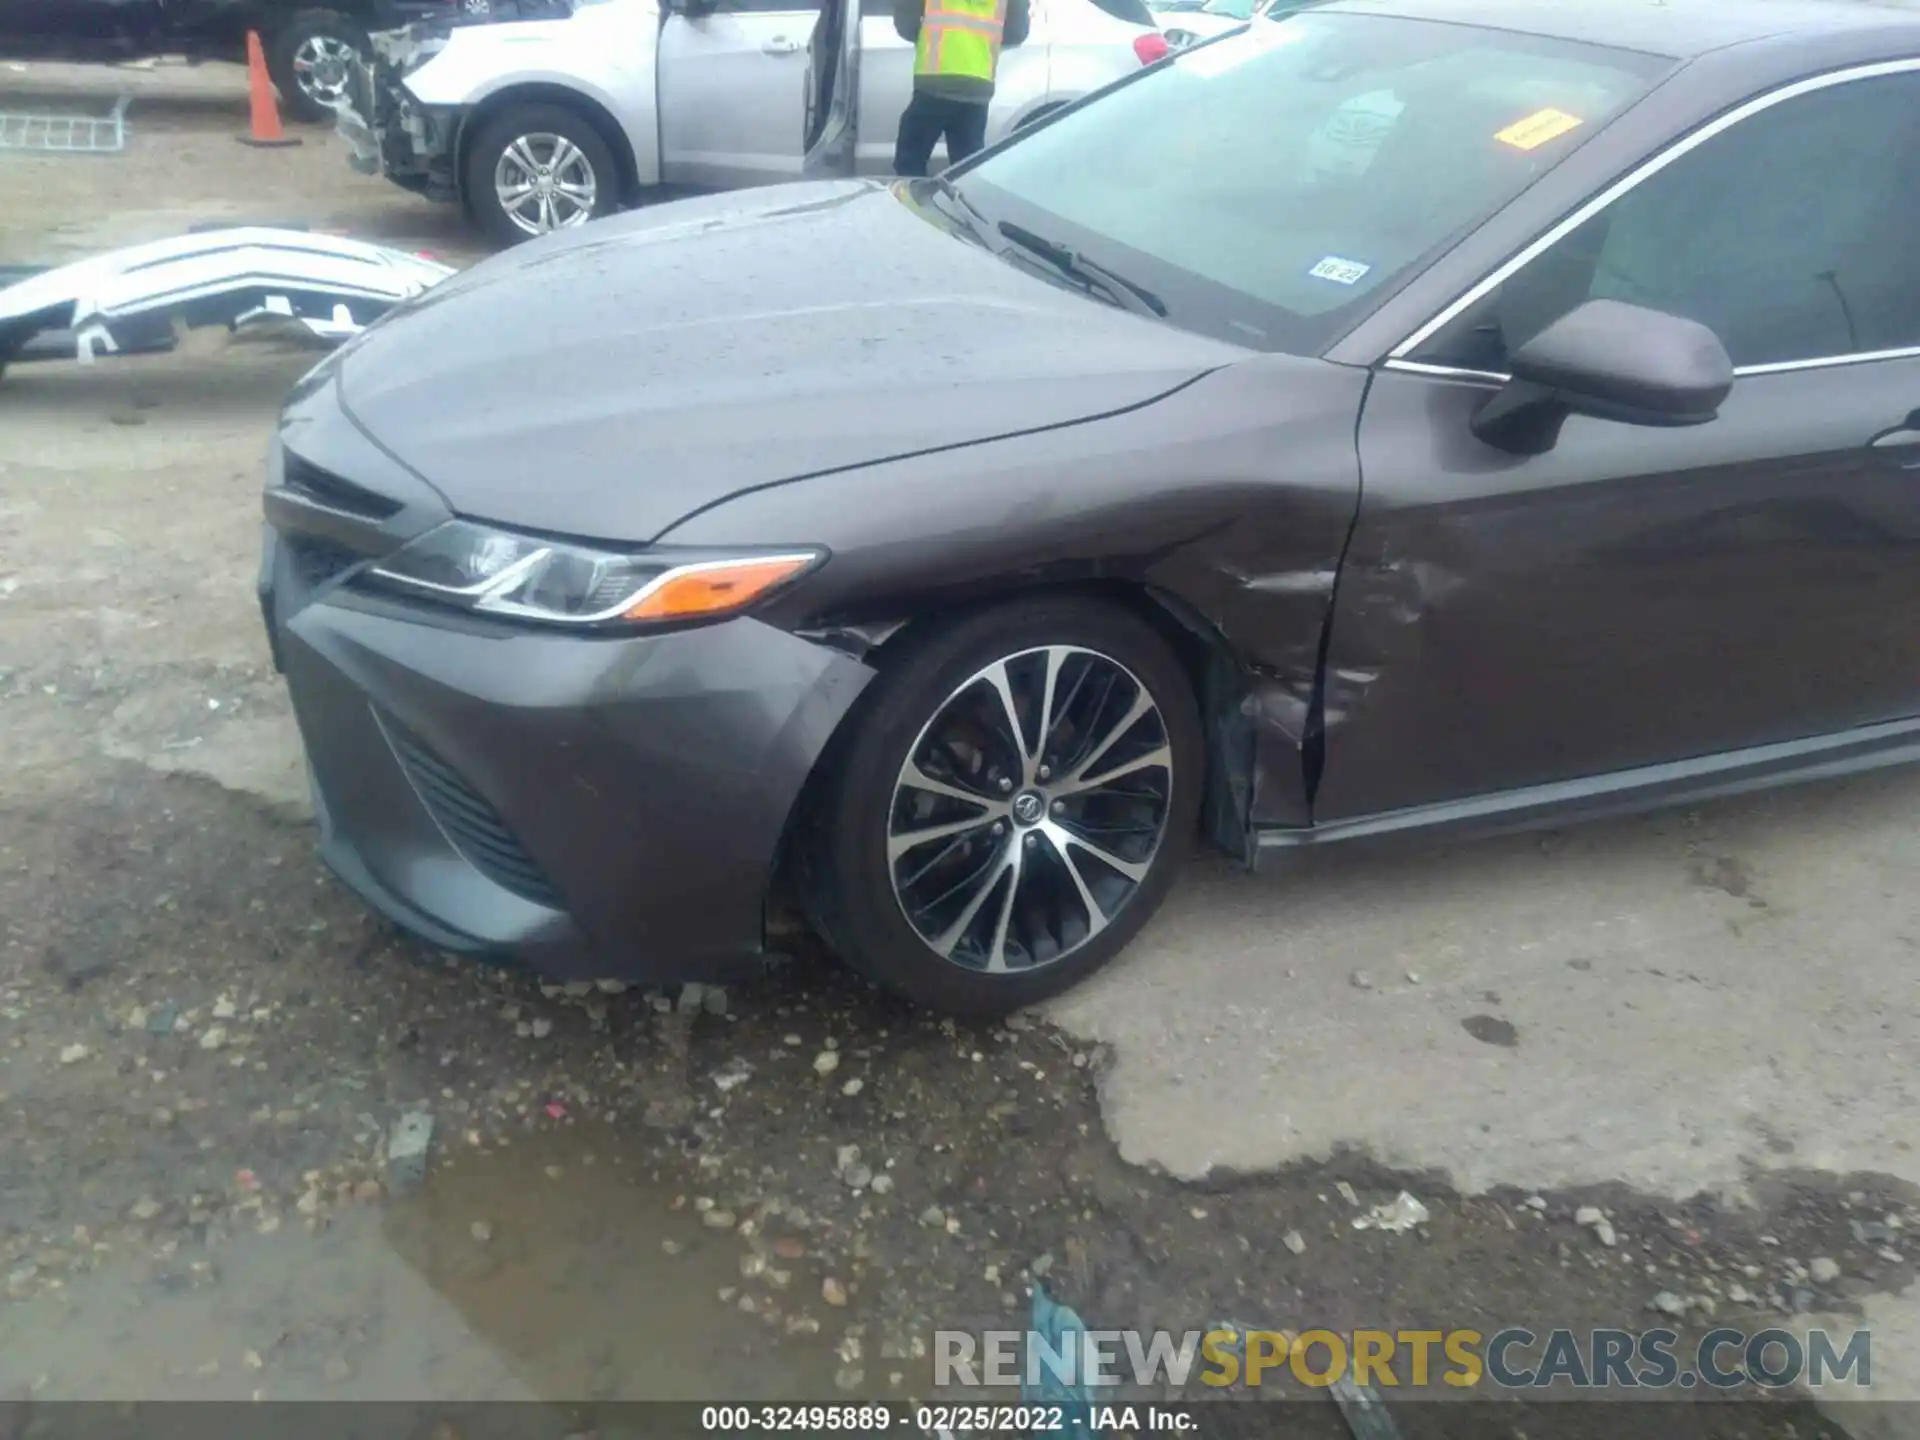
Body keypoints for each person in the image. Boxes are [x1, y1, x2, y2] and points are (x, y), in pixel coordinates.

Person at [891, 0, 1030, 177]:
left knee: (909, 162)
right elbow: (1017, 33)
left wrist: (927, 36)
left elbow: (906, 23)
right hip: (977, 85)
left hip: (935, 79)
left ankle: (910, 203)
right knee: (967, 171)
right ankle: (962, 202)